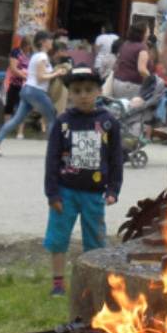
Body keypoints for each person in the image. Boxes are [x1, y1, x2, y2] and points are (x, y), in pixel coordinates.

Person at [44, 67, 123, 296]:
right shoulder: (62, 122)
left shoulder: (109, 122)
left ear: (99, 91)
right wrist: (52, 193)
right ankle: (58, 283)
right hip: (65, 192)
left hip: (94, 194)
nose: (83, 95)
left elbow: (116, 158)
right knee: (58, 238)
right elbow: (52, 159)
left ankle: (92, 283)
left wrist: (113, 189)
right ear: (69, 93)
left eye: (89, 90)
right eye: (77, 91)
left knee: (95, 241)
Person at [0, 31, 69, 157]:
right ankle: (54, 151)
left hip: (27, 90)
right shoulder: (42, 56)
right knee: (52, 118)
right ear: (43, 42)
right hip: (36, 91)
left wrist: (54, 72)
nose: (52, 42)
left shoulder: (37, 56)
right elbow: (41, 77)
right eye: (50, 39)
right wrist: (57, 73)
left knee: (16, 119)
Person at [112, 22, 151, 101]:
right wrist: (153, 80)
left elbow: (116, 64)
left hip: (117, 82)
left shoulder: (125, 44)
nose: (149, 34)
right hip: (131, 86)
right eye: (148, 32)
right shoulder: (142, 47)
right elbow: (142, 69)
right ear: (143, 33)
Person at [5, 36, 32, 140]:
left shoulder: (31, 54)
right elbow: (13, 69)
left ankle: (20, 132)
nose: (29, 48)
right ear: (25, 45)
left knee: (22, 108)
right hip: (15, 84)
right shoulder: (16, 52)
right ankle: (6, 129)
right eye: (29, 46)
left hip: (25, 86)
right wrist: (25, 76)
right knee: (9, 107)